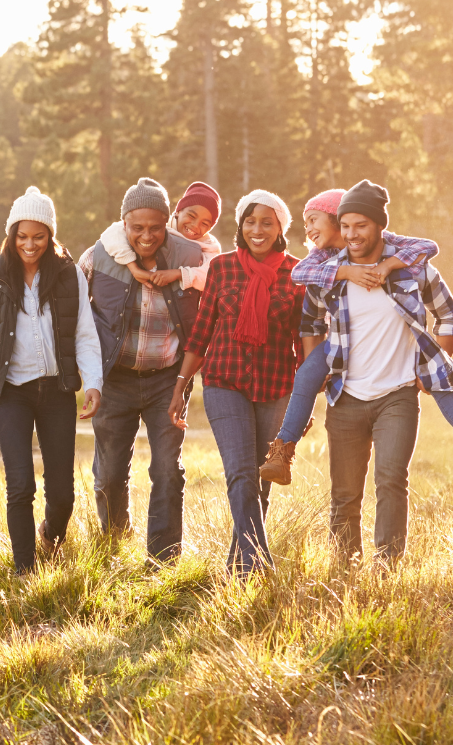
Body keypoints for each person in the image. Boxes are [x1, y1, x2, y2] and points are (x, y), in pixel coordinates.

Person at [257, 189, 453, 484]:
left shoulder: (387, 246)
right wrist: (346, 272)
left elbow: (426, 247)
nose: (308, 229)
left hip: (395, 348)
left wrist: (388, 265)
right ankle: (283, 450)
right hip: (338, 344)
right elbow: (301, 277)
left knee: (435, 372)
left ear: (338, 219)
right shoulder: (321, 257)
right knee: (306, 374)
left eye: (313, 219)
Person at [295, 180, 453, 563]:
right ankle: (345, 565)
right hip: (346, 396)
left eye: (362, 226)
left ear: (379, 226)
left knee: (390, 481)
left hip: (398, 394)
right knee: (345, 492)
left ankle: (387, 566)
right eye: (347, 226)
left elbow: (448, 314)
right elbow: (309, 323)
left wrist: (433, 364)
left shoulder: (411, 269)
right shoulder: (329, 273)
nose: (353, 234)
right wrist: (317, 366)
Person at [0, 186, 104, 575]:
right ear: (11, 235)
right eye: (22, 236)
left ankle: (51, 536)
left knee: (63, 494)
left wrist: (93, 384)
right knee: (20, 486)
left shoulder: (70, 276)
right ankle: (25, 572)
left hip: (56, 391)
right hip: (10, 396)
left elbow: (86, 336)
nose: (29, 244)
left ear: (50, 235)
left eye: (38, 237)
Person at [166, 190, 304, 577]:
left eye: (266, 222)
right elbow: (201, 333)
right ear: (240, 226)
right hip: (224, 383)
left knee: (261, 480)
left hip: (276, 387)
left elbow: (302, 344)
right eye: (250, 221)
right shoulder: (223, 268)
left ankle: (238, 567)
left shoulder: (297, 273)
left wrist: (302, 405)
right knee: (241, 474)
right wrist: (181, 385)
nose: (256, 230)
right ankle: (261, 567)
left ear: (280, 229)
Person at [79, 178, 205, 562]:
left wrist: (184, 383)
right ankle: (114, 540)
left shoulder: (190, 255)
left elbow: (213, 297)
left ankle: (163, 557)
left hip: (166, 378)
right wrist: (86, 376)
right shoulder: (97, 257)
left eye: (155, 227)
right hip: (113, 379)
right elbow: (75, 317)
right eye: (137, 227)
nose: (146, 235)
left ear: (167, 222)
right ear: (124, 224)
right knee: (110, 473)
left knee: (167, 470)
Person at [103, 181, 224, 291]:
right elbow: (113, 233)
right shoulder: (160, 226)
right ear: (178, 211)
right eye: (191, 216)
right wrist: (133, 268)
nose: (195, 226)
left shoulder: (209, 246)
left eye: (205, 223)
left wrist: (178, 274)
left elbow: (213, 276)